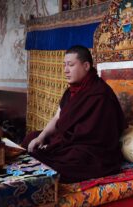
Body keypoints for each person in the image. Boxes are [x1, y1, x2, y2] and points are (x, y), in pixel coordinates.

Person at [22, 45, 127, 183]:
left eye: (70, 65)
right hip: (68, 140)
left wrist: (56, 144)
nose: (65, 70)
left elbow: (98, 135)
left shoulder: (100, 94)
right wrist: (42, 137)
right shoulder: (71, 91)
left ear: (86, 66)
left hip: (91, 148)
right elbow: (57, 117)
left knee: (70, 159)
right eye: (64, 65)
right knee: (32, 137)